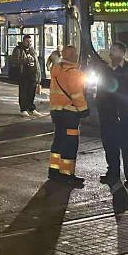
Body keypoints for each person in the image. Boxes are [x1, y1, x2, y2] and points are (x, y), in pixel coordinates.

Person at [96, 41, 128, 191]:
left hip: (124, 116)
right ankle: (113, 173)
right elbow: (100, 93)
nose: (111, 53)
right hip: (108, 116)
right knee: (110, 145)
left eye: (115, 51)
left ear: (122, 54)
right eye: (111, 50)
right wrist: (102, 111)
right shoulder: (105, 70)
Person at [47, 44, 88, 187]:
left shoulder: (57, 69)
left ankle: (54, 171)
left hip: (56, 112)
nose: (77, 55)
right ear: (72, 56)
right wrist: (84, 110)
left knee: (58, 140)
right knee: (70, 143)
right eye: (75, 53)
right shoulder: (74, 73)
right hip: (70, 112)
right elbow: (77, 94)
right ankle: (67, 174)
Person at [9, 35, 42, 116]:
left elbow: (36, 63)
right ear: (23, 41)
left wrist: (38, 76)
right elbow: (14, 61)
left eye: (30, 41)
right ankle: (23, 109)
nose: (29, 43)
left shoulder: (32, 50)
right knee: (23, 92)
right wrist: (26, 60)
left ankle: (31, 108)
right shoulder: (18, 49)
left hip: (32, 74)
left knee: (32, 92)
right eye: (27, 41)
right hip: (23, 74)